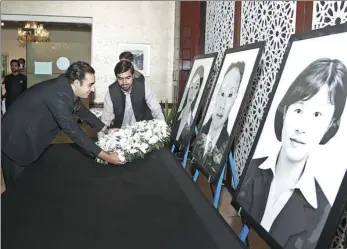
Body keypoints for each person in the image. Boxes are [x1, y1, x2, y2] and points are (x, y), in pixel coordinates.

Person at [236, 58, 347, 249]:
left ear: (330, 127)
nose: (302, 127)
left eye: (317, 115)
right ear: (285, 111)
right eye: (298, 110)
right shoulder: (251, 170)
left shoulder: (322, 212)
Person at [1, 61, 123, 190]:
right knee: (17, 188)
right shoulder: (58, 94)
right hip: (15, 139)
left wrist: (106, 130)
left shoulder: (66, 86)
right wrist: (106, 156)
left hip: (29, 135)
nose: (92, 89)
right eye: (90, 85)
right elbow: (73, 130)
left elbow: (82, 110)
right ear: (76, 83)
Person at [193, 62, 245, 183]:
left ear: (236, 101)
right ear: (216, 95)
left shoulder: (224, 143)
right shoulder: (202, 133)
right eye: (222, 93)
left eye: (230, 95)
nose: (222, 104)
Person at [100, 60, 163, 131]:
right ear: (116, 78)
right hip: (120, 132)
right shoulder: (111, 91)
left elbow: (156, 110)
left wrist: (161, 127)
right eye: (120, 79)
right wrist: (104, 132)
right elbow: (106, 120)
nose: (124, 82)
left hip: (143, 131)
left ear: (133, 76)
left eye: (128, 78)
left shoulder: (143, 87)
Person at [171, 65, 204, 145]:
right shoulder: (180, 111)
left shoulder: (196, 113)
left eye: (196, 87)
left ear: (199, 90)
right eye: (191, 86)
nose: (192, 91)